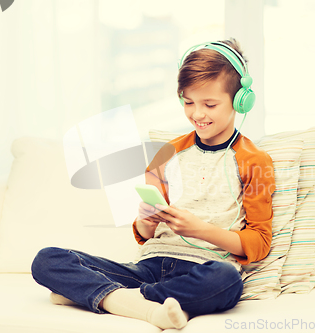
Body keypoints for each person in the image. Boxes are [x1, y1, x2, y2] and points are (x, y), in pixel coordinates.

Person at [31, 38, 276, 330]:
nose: (197, 114)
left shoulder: (254, 160)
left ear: (240, 100)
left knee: (227, 281)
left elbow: (259, 244)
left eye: (210, 104)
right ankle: (145, 304)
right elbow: (146, 234)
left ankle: (107, 297)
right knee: (47, 260)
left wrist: (199, 229)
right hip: (148, 267)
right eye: (188, 102)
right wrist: (147, 219)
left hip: (203, 268)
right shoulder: (166, 153)